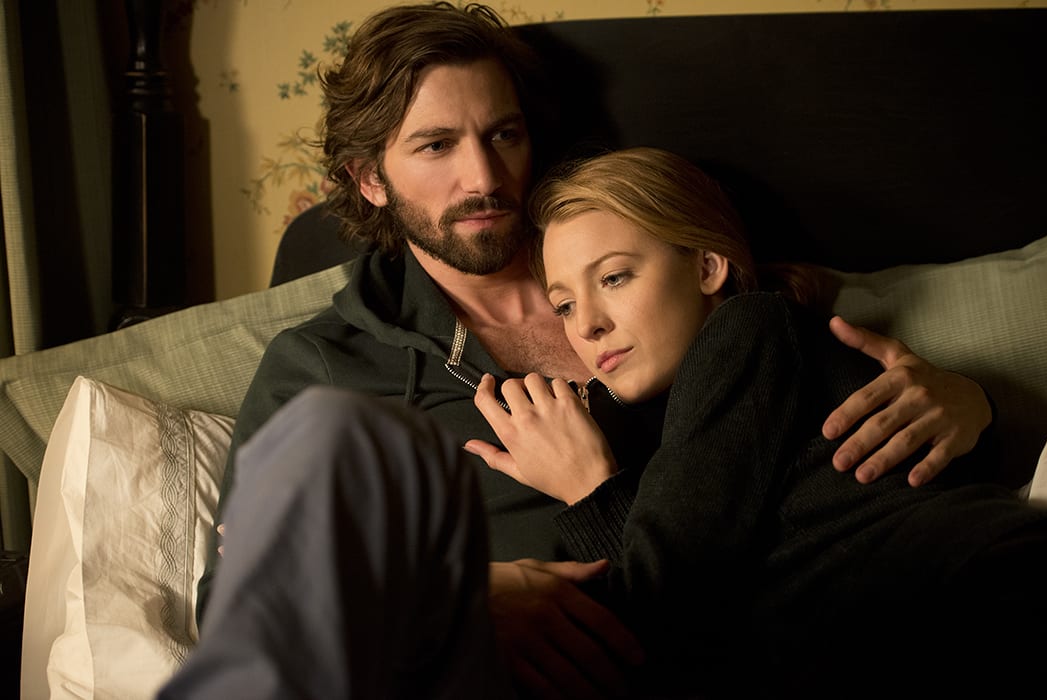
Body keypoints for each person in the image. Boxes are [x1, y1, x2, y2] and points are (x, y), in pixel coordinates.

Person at [197, 3, 994, 696]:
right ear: (369, 178)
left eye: (502, 134)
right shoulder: (325, 366)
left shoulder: (646, 245)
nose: (483, 176)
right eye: (435, 146)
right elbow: (237, 605)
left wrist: (968, 405)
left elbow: (804, 374)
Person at [464, 147, 1047, 697]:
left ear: (708, 267)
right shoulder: (664, 435)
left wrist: (588, 487)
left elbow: (658, 610)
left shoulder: (751, 327)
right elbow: (688, 653)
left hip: (980, 601)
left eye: (614, 277)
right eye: (565, 305)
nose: (587, 324)